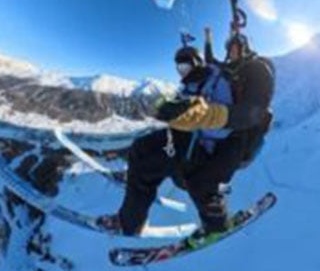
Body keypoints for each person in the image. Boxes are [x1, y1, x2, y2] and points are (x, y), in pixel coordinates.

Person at [97, 32, 274, 237]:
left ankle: (216, 225)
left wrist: (203, 113)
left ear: (246, 47)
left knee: (199, 181)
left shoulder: (254, 69)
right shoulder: (217, 71)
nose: (232, 52)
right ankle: (130, 214)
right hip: (196, 136)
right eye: (229, 47)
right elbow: (208, 63)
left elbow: (251, 113)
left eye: (236, 47)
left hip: (226, 141)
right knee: (143, 150)